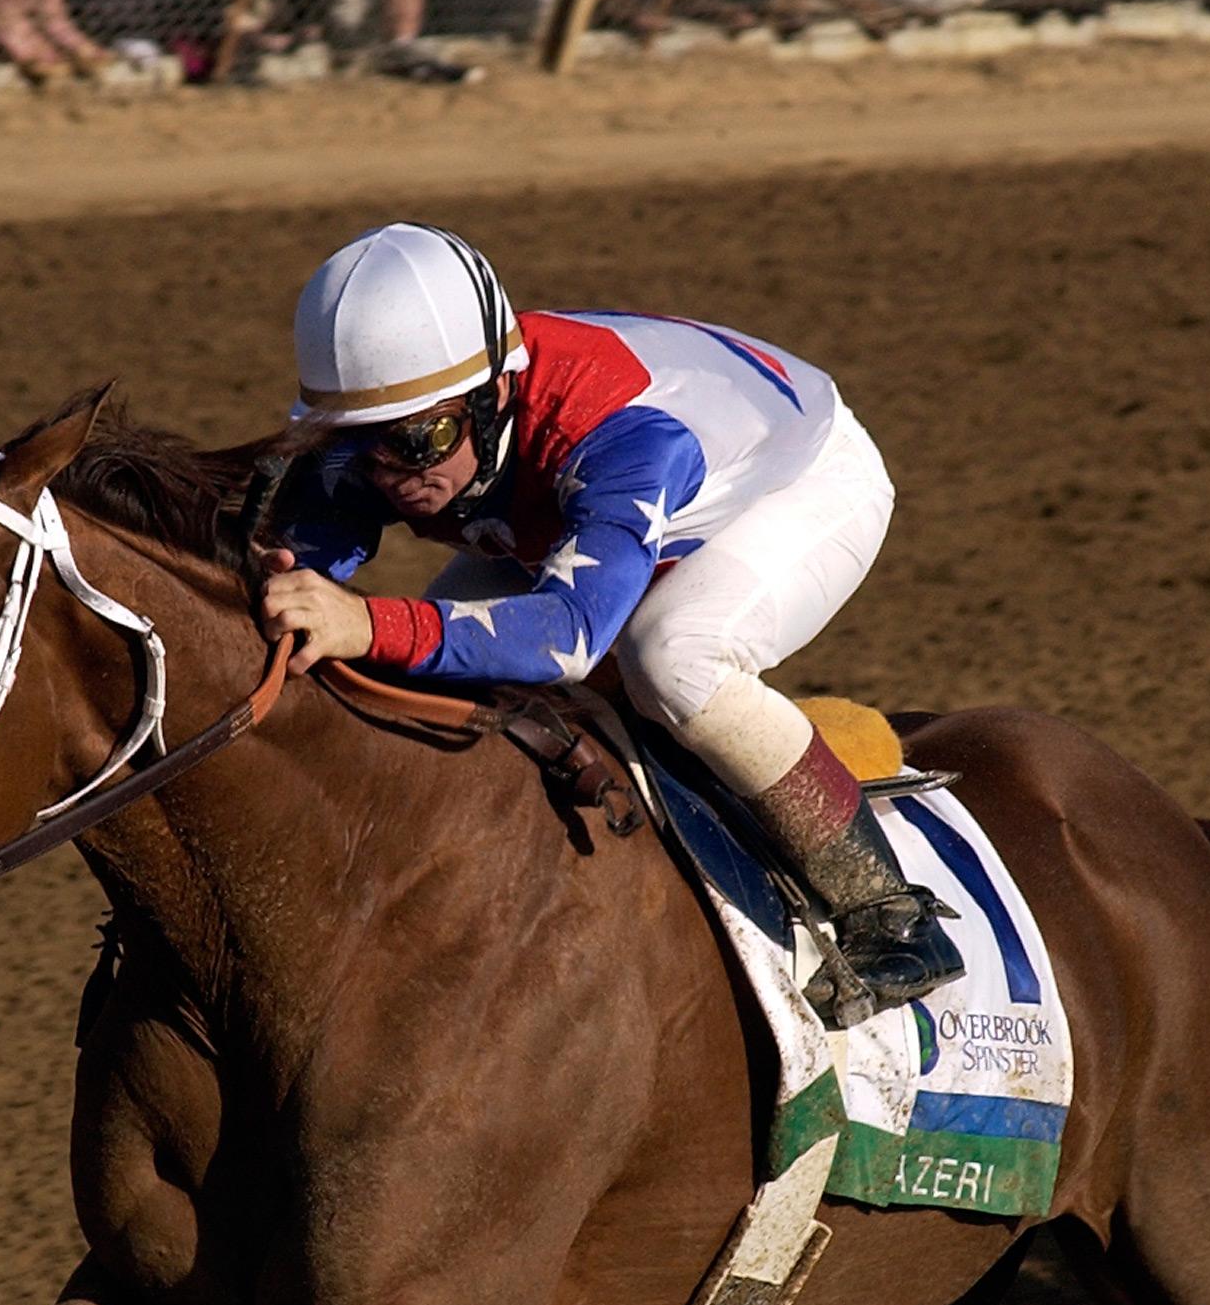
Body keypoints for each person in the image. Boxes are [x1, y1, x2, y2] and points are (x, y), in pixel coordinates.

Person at [258, 222, 962, 1017]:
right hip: (561, 503)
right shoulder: (412, 420)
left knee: (668, 656)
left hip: (792, 484)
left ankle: (887, 913)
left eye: (423, 441)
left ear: (494, 399)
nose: (392, 477)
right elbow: (306, 551)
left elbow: (570, 636)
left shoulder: (625, 433)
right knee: (430, 660)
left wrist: (368, 623)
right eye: (359, 449)